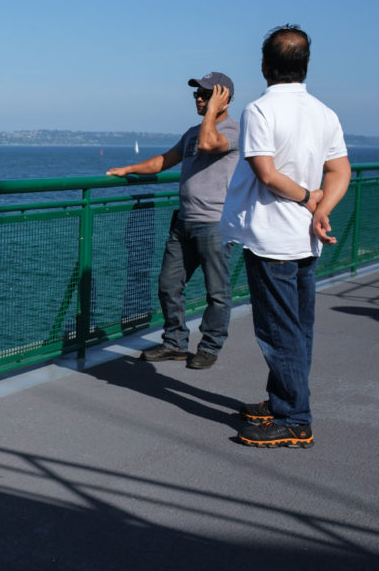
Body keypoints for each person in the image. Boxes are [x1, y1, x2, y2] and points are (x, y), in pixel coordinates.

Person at [220, 24, 351, 448]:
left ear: (264, 66)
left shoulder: (260, 111)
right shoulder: (324, 113)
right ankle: (284, 400)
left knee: (280, 331)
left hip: (273, 237)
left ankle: (295, 418)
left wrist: (308, 199)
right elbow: (341, 171)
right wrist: (321, 208)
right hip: (303, 240)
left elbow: (267, 173)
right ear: (306, 65)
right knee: (298, 328)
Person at [107, 72, 240, 369]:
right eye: (197, 94)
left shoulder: (234, 130)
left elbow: (209, 144)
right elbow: (165, 160)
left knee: (216, 291)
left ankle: (210, 346)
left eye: (206, 94)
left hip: (214, 224)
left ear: (224, 98)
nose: (199, 98)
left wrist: (212, 113)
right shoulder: (193, 131)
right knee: (168, 283)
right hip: (184, 221)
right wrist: (126, 169)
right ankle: (175, 343)